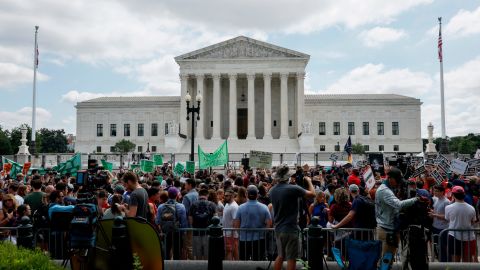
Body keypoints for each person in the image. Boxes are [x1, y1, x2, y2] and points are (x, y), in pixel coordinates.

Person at [269, 165, 315, 270]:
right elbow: (312, 194)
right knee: (291, 258)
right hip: (291, 229)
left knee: (280, 256)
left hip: (278, 229)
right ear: (288, 177)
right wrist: (309, 181)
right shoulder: (293, 188)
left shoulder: (272, 191)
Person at [375, 167, 425, 264]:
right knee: (386, 262)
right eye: (398, 180)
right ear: (391, 178)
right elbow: (399, 204)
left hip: (387, 227)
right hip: (387, 230)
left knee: (386, 261)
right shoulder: (385, 191)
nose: (398, 183)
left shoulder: (386, 189)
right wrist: (416, 199)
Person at [233, 185, 272, 261]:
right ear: (257, 195)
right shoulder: (264, 207)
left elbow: (236, 225)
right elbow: (269, 224)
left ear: (246, 194)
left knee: (244, 262)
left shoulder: (240, 208)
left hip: (244, 239)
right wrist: (263, 233)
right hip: (259, 240)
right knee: (258, 262)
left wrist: (241, 234)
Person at [444, 186, 477, 262]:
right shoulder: (471, 208)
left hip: (454, 235)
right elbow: (473, 221)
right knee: (468, 261)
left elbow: (448, 219)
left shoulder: (448, 207)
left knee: (455, 261)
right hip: (469, 236)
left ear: (453, 195)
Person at [156, 187, 188, 260]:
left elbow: (157, 221)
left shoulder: (161, 207)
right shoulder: (181, 206)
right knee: (177, 252)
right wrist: (183, 233)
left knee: (166, 252)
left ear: (168, 195)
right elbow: (183, 223)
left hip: (165, 232)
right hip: (177, 232)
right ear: (176, 195)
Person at [188, 188, 217, 260]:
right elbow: (216, 219)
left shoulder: (193, 205)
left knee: (198, 253)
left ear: (199, 195)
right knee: (207, 253)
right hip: (208, 232)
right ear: (207, 195)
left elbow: (190, 220)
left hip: (196, 232)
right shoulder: (212, 204)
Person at [429, 185, 450, 262]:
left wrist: (434, 215)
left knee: (443, 247)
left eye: (437, 191)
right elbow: (437, 212)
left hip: (443, 228)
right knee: (436, 247)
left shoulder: (447, 202)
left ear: (442, 192)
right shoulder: (436, 200)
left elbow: (447, 217)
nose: (435, 192)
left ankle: (444, 263)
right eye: (434, 191)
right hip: (435, 227)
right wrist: (432, 213)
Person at [223, 189, 239, 260]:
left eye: (227, 196)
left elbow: (235, 221)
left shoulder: (234, 206)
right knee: (233, 251)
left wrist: (233, 234)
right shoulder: (227, 204)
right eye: (225, 195)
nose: (225, 197)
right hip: (227, 233)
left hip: (230, 233)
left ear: (232, 196)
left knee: (229, 251)